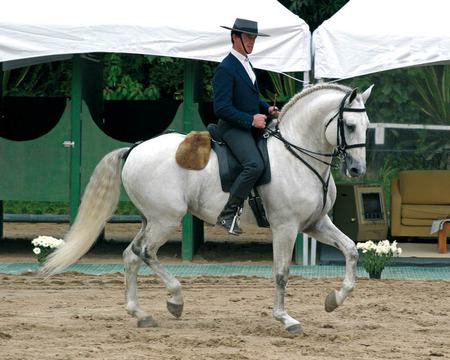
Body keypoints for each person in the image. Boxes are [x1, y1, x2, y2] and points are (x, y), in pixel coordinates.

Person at [213, 18, 279, 235]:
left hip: (247, 126)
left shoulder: (246, 63)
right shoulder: (226, 68)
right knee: (254, 165)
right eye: (248, 37)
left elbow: (249, 98)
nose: (252, 42)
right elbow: (221, 107)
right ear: (235, 37)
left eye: (254, 38)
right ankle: (229, 213)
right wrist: (251, 120)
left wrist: (266, 108)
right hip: (232, 128)